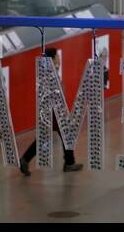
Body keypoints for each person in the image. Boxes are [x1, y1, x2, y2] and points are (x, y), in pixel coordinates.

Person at [20, 48, 82, 176]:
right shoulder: (49, 73)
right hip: (54, 111)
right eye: (57, 56)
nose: (59, 58)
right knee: (66, 133)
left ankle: (25, 160)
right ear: (52, 58)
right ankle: (69, 163)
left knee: (48, 137)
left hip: (52, 110)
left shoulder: (50, 71)